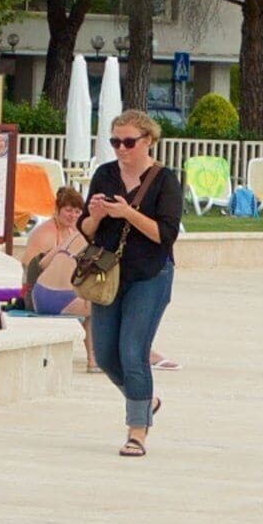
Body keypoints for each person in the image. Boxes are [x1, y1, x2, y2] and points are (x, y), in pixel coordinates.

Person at [83, 109, 182, 456]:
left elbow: (165, 235)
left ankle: (136, 432)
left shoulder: (164, 180)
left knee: (133, 352)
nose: (121, 149)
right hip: (107, 274)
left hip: (150, 274)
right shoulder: (104, 175)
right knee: (107, 356)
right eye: (115, 142)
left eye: (128, 142)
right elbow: (85, 229)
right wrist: (94, 217)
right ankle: (147, 400)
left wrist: (128, 213)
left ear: (148, 141)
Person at [14, 196, 94, 368]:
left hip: (42, 293)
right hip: (37, 294)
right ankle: (95, 359)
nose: (73, 215)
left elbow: (43, 263)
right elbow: (30, 264)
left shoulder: (71, 235)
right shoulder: (46, 233)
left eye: (77, 212)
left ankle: (95, 358)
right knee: (105, 306)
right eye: (68, 210)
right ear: (57, 210)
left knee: (91, 304)